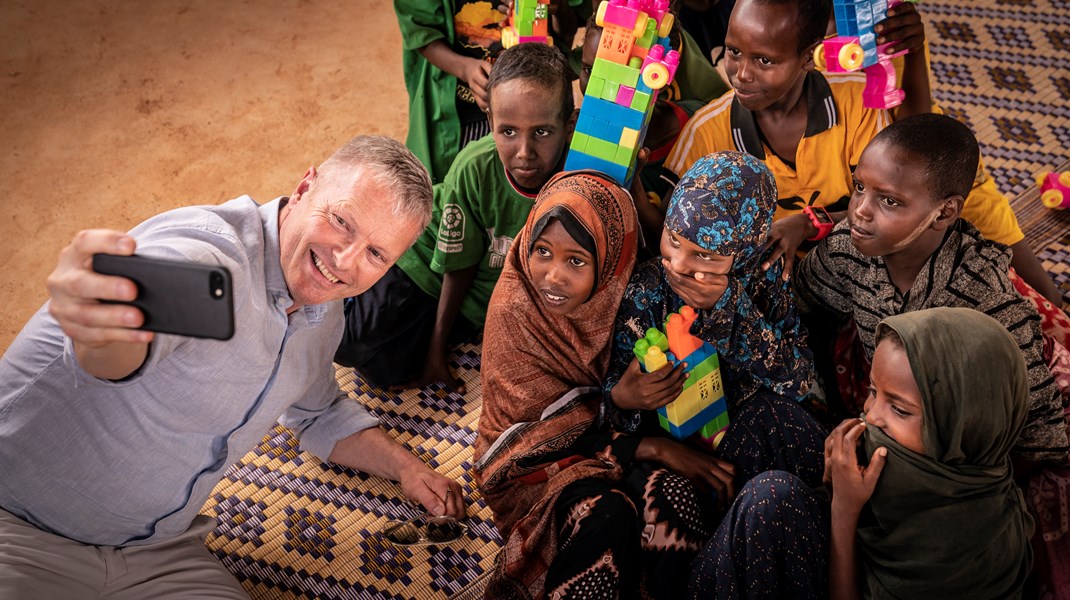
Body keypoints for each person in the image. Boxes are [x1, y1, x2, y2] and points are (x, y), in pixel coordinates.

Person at [0, 135, 465, 599]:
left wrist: (408, 469)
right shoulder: (211, 260)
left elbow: (318, 411)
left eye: (376, 254)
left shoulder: (323, 311)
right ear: (305, 188)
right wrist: (102, 326)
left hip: (156, 553)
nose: (345, 261)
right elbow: (118, 352)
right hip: (21, 530)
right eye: (342, 221)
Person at [663, 0, 1062, 305]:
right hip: (798, 277)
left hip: (871, 243)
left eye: (764, 60)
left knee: (962, 195)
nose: (743, 74)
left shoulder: (855, 101)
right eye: (733, 53)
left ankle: (1053, 305)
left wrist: (808, 222)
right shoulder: (707, 133)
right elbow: (670, 224)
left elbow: (907, 191)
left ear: (809, 57)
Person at [474, 171, 721, 599]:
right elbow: (522, 444)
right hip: (531, 472)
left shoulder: (628, 297)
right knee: (607, 516)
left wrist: (628, 408)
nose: (552, 276)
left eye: (575, 261)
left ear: (609, 262)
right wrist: (641, 436)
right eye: (543, 251)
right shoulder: (517, 309)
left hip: (609, 445)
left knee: (674, 497)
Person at [689, 308, 1035, 599]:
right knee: (771, 417)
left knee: (770, 499)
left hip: (847, 573)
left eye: (900, 410)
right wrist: (830, 481)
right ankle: (715, 551)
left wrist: (843, 507)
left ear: (962, 426)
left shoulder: (966, 553)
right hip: (851, 521)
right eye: (873, 391)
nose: (870, 415)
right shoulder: (927, 458)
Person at [793, 113, 1068, 467]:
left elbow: (1040, 436)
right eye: (860, 187)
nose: (859, 211)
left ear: (944, 213)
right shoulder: (846, 247)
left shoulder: (984, 301)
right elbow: (799, 309)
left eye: (889, 201)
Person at [335, 42, 576, 392]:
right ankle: (351, 261)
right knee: (348, 343)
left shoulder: (578, 176)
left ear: (568, 125)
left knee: (386, 372)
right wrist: (436, 349)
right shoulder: (474, 167)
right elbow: (457, 266)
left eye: (541, 132)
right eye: (508, 131)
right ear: (490, 120)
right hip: (422, 264)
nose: (525, 153)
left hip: (471, 300)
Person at [604, 151, 826, 492]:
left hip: (749, 428)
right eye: (673, 240)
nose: (678, 264)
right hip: (671, 447)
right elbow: (599, 401)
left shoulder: (764, 276)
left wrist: (728, 307)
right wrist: (623, 397)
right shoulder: (643, 290)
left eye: (705, 255)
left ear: (745, 248)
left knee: (793, 432)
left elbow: (798, 380)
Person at [395, 0, 585, 184]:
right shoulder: (472, 160)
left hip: (539, 107)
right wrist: (464, 68)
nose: (524, 151)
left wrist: (559, 9)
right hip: (462, 110)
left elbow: (571, 25)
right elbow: (420, 31)